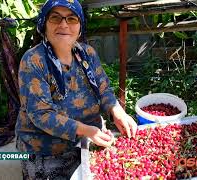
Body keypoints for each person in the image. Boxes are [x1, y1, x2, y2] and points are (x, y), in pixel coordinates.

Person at [15, 0, 137, 179]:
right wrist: (88, 131)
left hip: (87, 142)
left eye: (71, 19)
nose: (64, 24)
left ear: (80, 27)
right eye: (55, 18)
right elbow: (42, 115)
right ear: (43, 25)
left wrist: (117, 111)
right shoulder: (34, 60)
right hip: (46, 151)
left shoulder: (87, 53)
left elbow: (103, 90)